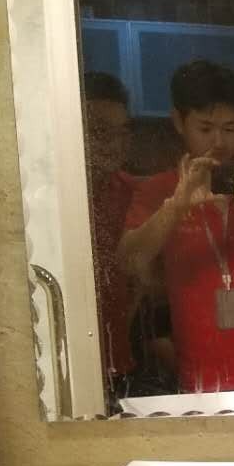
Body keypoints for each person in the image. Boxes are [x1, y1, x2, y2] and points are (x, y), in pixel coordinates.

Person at [117, 59, 234, 393]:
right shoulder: (161, 190)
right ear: (179, 122)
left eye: (230, 128)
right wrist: (176, 207)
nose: (219, 141)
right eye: (205, 129)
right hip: (206, 375)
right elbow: (128, 262)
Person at [82, 70, 142, 401]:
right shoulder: (59, 201)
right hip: (76, 357)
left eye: (123, 132)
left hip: (123, 357)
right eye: (101, 132)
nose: (116, 144)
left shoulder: (133, 193)